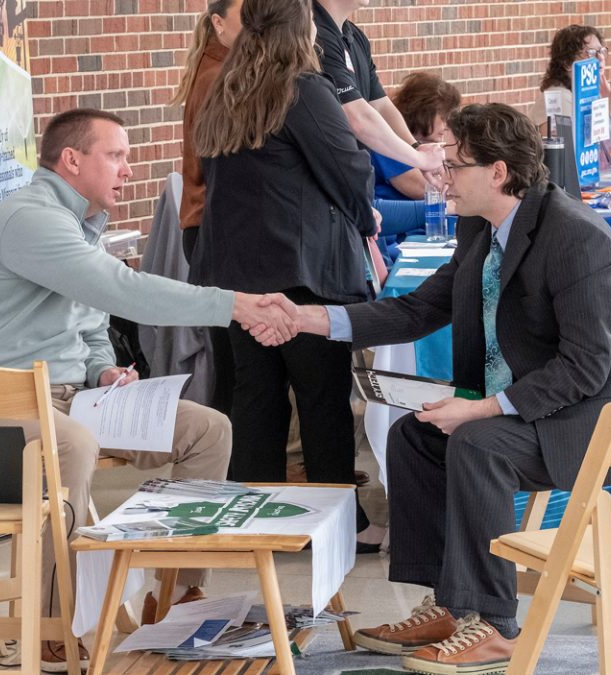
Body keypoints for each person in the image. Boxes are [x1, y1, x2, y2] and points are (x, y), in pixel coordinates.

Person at [288, 103, 611, 673]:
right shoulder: (482, 226)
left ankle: (496, 626)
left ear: (498, 172)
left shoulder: (576, 237)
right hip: (553, 405)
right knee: (414, 436)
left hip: (610, 416)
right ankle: (450, 606)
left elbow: (586, 368)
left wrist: (486, 409)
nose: (440, 175)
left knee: (477, 442)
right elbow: (423, 307)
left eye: (453, 163)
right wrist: (313, 320)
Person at [0, 108, 297, 672]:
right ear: (72, 160)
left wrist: (103, 370)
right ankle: (55, 625)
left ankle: (177, 599)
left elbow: (88, 324)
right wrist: (232, 304)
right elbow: (122, 290)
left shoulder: (80, 224)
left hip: (67, 397)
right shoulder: (32, 219)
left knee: (207, 429)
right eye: (117, 155)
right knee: (73, 444)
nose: (128, 170)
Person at [192, 0, 385, 551]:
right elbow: (348, 166)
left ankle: (260, 524)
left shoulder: (225, 88)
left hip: (235, 274)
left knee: (257, 398)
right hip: (304, 276)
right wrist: (363, 213)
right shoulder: (302, 87)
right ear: (299, 31)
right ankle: (336, 526)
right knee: (322, 400)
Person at [171, 0, 242, 415]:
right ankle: (233, 465)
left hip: (208, 231)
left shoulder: (218, 68)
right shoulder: (222, 77)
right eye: (245, 16)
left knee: (232, 366)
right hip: (214, 231)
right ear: (217, 23)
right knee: (236, 368)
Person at [312, 0, 444, 181]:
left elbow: (380, 105)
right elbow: (356, 117)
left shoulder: (355, 36)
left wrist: (415, 147)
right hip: (321, 182)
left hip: (352, 184)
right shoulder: (315, 36)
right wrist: (419, 159)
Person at [531, 24, 611, 172]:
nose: (600, 58)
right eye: (591, 53)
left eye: (601, 51)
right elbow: (582, 160)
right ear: (567, 63)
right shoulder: (557, 98)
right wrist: (610, 115)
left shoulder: (605, 93)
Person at [372, 71, 462, 264]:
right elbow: (424, 188)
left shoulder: (425, 147)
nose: (447, 126)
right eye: (444, 117)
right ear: (423, 111)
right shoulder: (389, 144)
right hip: (395, 239)